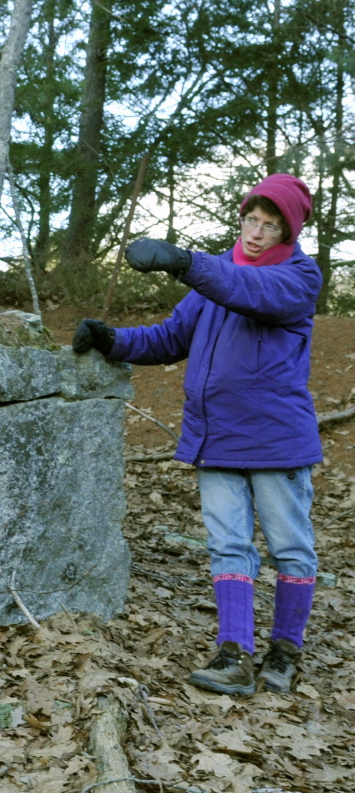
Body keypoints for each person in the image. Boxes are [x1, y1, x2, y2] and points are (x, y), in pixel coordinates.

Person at [72, 173, 321, 697]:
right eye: (250, 220)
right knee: (229, 546)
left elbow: (251, 291)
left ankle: (285, 651)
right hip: (218, 438)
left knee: (290, 548)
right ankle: (234, 655)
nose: (255, 234)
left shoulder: (298, 278)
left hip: (275, 440)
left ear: (287, 233)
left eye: (270, 226)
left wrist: (184, 262)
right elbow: (168, 338)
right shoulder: (218, 276)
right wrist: (111, 339)